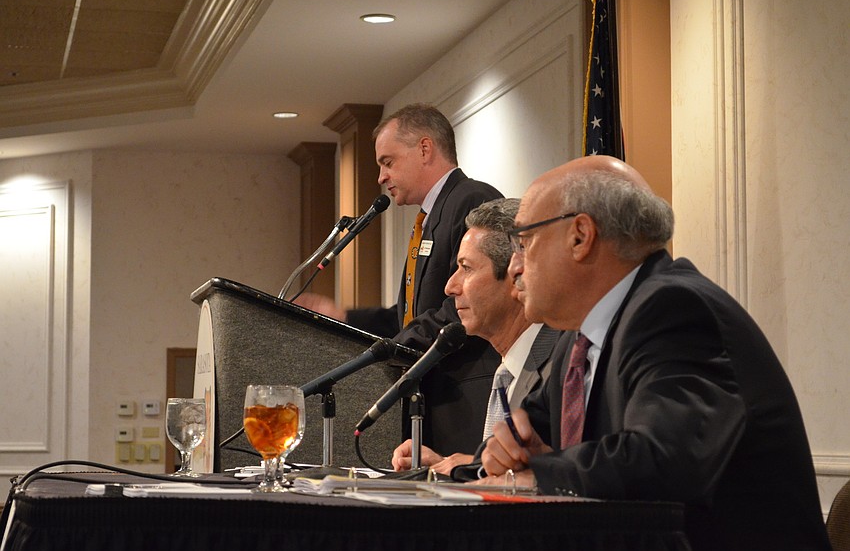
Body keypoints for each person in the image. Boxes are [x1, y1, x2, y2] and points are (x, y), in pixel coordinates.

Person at [479, 155, 830, 551]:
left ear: (580, 236)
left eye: (523, 242)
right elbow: (528, 439)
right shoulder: (575, 341)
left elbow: (664, 459)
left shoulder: (673, 309)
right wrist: (505, 449)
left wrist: (539, 474)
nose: (514, 268)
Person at [298, 104, 503, 455]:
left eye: (387, 162)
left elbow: (466, 306)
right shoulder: (433, 214)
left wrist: (395, 349)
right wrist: (346, 319)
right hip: (431, 398)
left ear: (425, 149)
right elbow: (410, 316)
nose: (380, 176)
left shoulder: (472, 200)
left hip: (464, 399)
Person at [390, 198, 561, 474]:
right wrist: (456, 467)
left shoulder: (562, 368)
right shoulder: (509, 369)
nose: (450, 286)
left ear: (515, 274)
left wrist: (471, 467)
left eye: (466, 268)